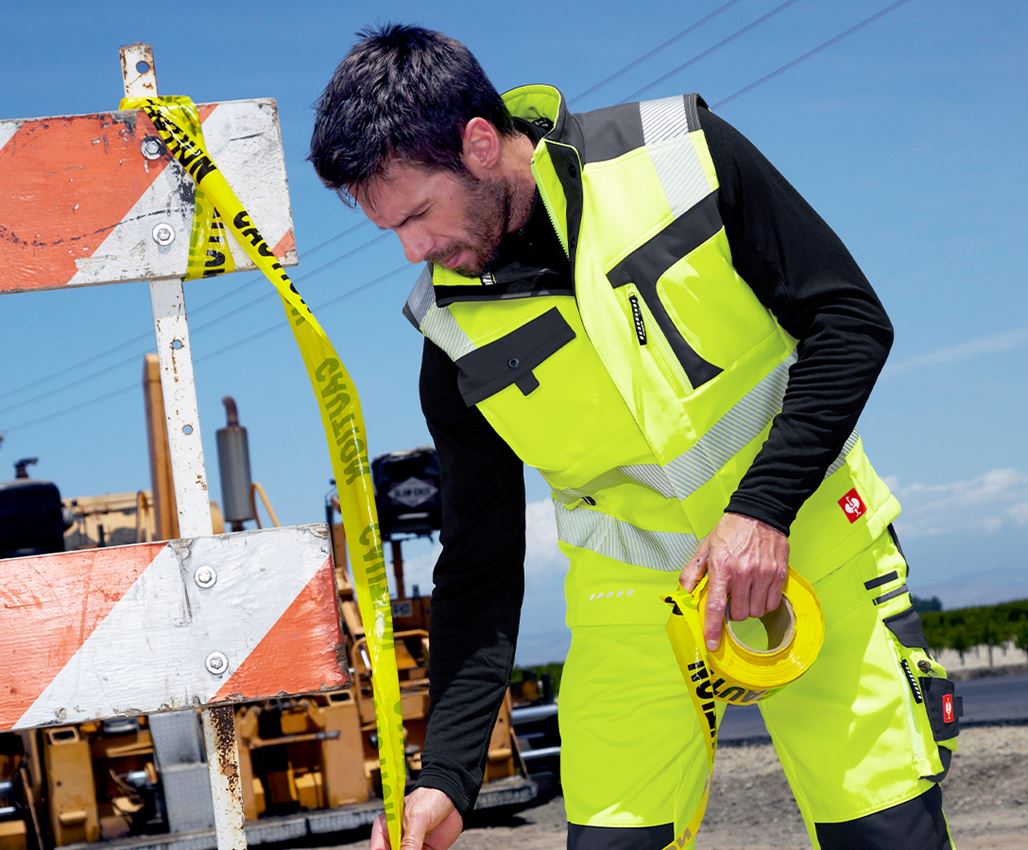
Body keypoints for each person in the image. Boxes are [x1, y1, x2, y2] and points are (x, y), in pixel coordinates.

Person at [310, 24, 959, 850]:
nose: (413, 250)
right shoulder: (450, 334)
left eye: (418, 215)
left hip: (816, 563)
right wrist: (448, 775)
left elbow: (849, 323)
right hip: (631, 623)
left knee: (887, 840)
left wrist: (762, 511)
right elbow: (478, 560)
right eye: (390, 233)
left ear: (478, 144)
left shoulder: (680, 156)